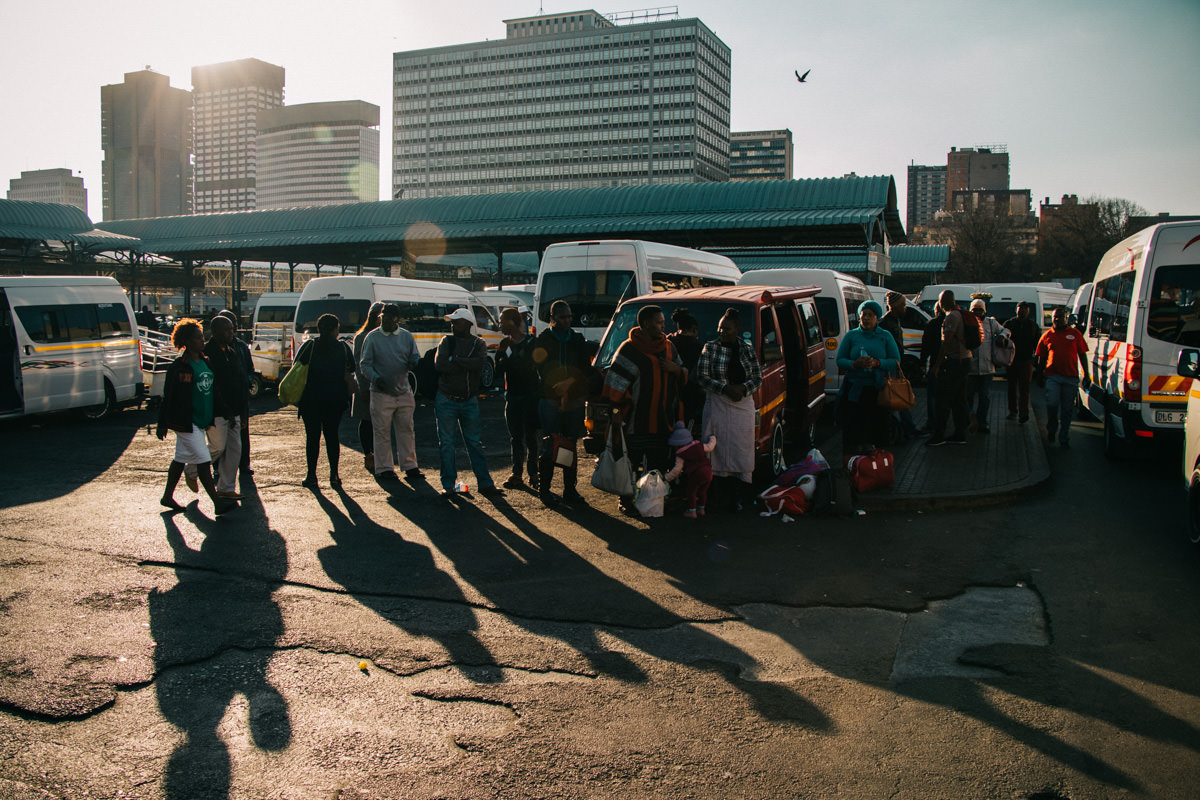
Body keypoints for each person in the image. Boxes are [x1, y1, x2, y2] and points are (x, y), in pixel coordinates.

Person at [601, 304, 687, 511]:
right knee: (631, 462)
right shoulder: (629, 350)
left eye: (663, 322)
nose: (662, 326)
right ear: (646, 324)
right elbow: (614, 385)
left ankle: (651, 500)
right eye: (658, 322)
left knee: (657, 463)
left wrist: (675, 369)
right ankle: (627, 500)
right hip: (634, 420)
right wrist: (614, 412)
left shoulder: (668, 347)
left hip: (662, 418)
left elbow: (683, 372)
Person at [156, 319, 237, 516]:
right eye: (198, 338)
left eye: (202, 337)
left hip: (202, 419)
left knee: (180, 459)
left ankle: (167, 496)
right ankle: (217, 503)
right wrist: (162, 423)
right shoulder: (179, 366)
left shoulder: (205, 361)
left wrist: (226, 412)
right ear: (187, 341)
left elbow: (214, 391)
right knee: (203, 461)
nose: (202, 341)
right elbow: (169, 396)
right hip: (186, 422)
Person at [695, 307, 762, 512]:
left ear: (737, 329)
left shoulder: (747, 348)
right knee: (715, 450)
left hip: (742, 404)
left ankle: (736, 498)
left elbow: (757, 378)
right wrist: (724, 388)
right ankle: (714, 498)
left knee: (740, 450)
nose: (723, 332)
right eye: (721, 328)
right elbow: (702, 377)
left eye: (728, 329)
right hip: (717, 403)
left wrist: (742, 389)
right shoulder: (710, 347)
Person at [434, 308, 502, 499]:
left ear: (468, 324)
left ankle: (482, 483)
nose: (453, 324)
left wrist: (455, 360)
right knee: (449, 444)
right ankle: (453, 484)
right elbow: (440, 364)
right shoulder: (447, 341)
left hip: (463, 399)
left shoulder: (477, 343)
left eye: (457, 321)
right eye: (453, 321)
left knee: (471, 443)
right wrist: (465, 362)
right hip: (449, 398)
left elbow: (478, 364)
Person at [531, 300, 592, 508]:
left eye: (569, 317)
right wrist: (558, 385)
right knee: (550, 444)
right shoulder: (544, 340)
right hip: (550, 398)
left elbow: (585, 368)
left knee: (569, 444)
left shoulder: (577, 339)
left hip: (573, 399)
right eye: (562, 317)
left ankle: (569, 489)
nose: (567, 320)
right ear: (553, 318)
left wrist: (570, 382)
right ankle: (545, 489)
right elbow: (540, 368)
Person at [359, 303, 422, 483]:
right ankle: (385, 468)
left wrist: (414, 363)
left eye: (387, 317)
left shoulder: (406, 336)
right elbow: (365, 364)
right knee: (381, 432)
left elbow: (414, 356)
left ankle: (410, 466)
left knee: (406, 430)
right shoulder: (372, 337)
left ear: (396, 319)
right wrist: (375, 378)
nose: (383, 320)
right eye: (382, 317)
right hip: (380, 392)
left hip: (403, 390)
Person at [296, 313, 356, 489]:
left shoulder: (309, 346)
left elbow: (297, 367)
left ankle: (311, 475)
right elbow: (351, 368)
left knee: (312, 438)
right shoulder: (343, 347)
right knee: (332, 437)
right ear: (335, 329)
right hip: (334, 399)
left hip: (310, 399)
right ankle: (334, 474)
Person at [835, 299, 901, 454]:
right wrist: (854, 364)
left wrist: (878, 363)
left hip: (878, 391)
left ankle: (876, 466)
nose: (866, 318)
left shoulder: (885, 336)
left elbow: (896, 361)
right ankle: (853, 464)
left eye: (870, 315)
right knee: (853, 429)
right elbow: (840, 360)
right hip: (855, 391)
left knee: (876, 430)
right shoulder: (852, 336)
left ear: (877, 317)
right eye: (863, 315)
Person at [201, 315, 247, 500]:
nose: (231, 332)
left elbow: (240, 380)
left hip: (234, 409)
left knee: (235, 449)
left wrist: (243, 411)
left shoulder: (231, 350)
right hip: (218, 411)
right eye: (227, 329)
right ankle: (192, 467)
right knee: (218, 447)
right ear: (217, 331)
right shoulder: (208, 353)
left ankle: (226, 488)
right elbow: (214, 386)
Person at [495, 307, 541, 490]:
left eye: (501, 321)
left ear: (512, 322)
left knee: (530, 436)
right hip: (513, 397)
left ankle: (534, 473)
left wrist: (509, 356)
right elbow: (499, 371)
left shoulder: (531, 343)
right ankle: (517, 474)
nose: (499, 325)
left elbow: (528, 366)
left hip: (530, 396)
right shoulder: (505, 344)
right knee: (515, 437)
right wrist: (501, 352)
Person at [1036, 307, 1090, 448]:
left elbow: (1082, 354)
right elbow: (1041, 358)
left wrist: (1087, 375)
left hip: (1070, 377)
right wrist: (1039, 375)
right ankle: (1052, 428)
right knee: (1052, 404)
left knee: (1067, 410)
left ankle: (1064, 436)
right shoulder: (1047, 336)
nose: (1057, 319)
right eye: (1055, 317)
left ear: (1066, 318)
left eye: (1060, 317)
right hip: (1053, 376)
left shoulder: (1075, 334)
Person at [926, 290, 971, 447]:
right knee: (959, 399)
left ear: (942, 302)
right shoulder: (960, 314)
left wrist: (937, 366)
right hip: (965, 360)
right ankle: (960, 433)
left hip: (955, 361)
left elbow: (946, 343)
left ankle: (939, 435)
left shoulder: (952, 317)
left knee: (942, 399)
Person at [215, 309, 254, 477]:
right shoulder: (214, 349)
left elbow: (249, 367)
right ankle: (217, 466)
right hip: (222, 398)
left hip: (240, 396)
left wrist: (248, 380)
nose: (234, 329)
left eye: (234, 325)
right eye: (229, 326)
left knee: (243, 432)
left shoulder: (241, 346)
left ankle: (243, 464)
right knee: (219, 437)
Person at [965, 298, 1009, 434]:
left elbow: (1005, 330)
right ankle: (970, 422)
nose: (977, 313)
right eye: (974, 310)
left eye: (980, 310)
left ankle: (982, 423)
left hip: (987, 369)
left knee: (984, 398)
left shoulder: (991, 322)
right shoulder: (966, 323)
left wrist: (1002, 337)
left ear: (985, 311)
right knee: (968, 398)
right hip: (970, 369)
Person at [879, 292, 920, 438]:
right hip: (891, 367)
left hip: (896, 365)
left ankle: (907, 429)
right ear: (895, 306)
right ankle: (904, 430)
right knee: (898, 399)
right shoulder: (886, 323)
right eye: (903, 305)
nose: (905, 308)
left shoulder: (895, 321)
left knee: (900, 398)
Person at [351, 302, 384, 473]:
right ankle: (368, 454)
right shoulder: (362, 336)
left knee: (378, 423)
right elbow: (358, 363)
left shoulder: (382, 335)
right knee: (367, 421)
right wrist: (363, 388)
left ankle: (377, 455)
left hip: (380, 386)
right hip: (365, 384)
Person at [663, 420, 717, 520]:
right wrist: (713, 438)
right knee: (703, 491)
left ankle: (692, 511)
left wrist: (666, 478)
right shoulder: (699, 445)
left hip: (696, 474)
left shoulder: (680, 454)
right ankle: (701, 509)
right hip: (708, 471)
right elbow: (710, 447)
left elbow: (677, 470)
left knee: (691, 491)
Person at [667, 307, 704, 433]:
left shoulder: (667, 343)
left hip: (666, 398)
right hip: (690, 401)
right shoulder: (698, 348)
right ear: (694, 330)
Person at [1003, 300, 1041, 423]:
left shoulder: (1033, 326)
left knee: (1025, 388)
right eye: (1020, 309)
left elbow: (1038, 344)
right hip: (1012, 361)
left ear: (1028, 311)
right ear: (1016, 310)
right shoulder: (1009, 324)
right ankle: (1013, 411)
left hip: (1026, 361)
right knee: (1011, 387)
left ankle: (1024, 412)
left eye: (1024, 309)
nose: (1022, 311)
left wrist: (1036, 358)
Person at [919, 303, 946, 434]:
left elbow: (926, 346)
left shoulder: (932, 324)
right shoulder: (953, 322)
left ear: (937, 310)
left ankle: (932, 422)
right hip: (950, 364)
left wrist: (922, 363)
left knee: (932, 396)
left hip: (935, 363)